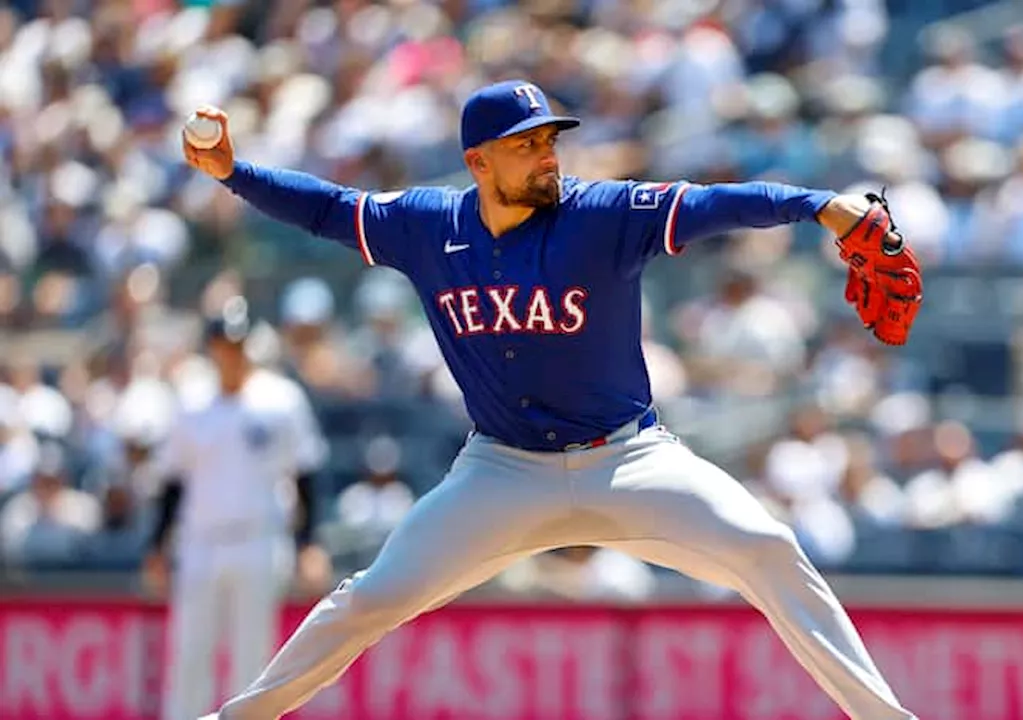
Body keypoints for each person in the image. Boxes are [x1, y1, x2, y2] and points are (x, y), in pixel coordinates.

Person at [184, 80, 921, 720]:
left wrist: (820, 204)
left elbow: (712, 206)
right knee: (372, 597)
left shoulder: (600, 213)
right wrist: (231, 172)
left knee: (768, 550)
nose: (546, 154)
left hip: (629, 459)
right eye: (525, 143)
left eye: (548, 139)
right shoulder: (428, 225)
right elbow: (324, 208)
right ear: (478, 162)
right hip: (501, 471)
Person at [144, 298, 331, 720]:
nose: (231, 353)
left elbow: (305, 473)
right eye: (223, 344)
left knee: (253, 661)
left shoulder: (280, 399)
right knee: (190, 655)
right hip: (201, 542)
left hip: (258, 540)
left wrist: (308, 542)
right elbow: (173, 481)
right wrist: (157, 545)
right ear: (211, 348)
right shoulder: (191, 401)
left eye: (238, 344)